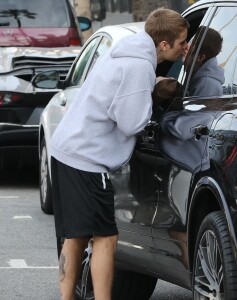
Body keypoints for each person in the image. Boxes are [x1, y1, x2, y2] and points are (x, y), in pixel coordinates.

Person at [50, 7, 189, 300]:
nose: (185, 48)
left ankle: (66, 298)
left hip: (66, 149)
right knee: (106, 237)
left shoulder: (122, 52)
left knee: (75, 236)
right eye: (181, 42)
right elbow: (131, 122)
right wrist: (152, 104)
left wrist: (150, 87)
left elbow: (116, 93)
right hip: (88, 158)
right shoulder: (139, 67)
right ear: (164, 44)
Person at [187, 26, 225, 97]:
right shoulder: (199, 78)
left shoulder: (206, 86)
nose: (186, 46)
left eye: (191, 44)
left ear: (200, 57)